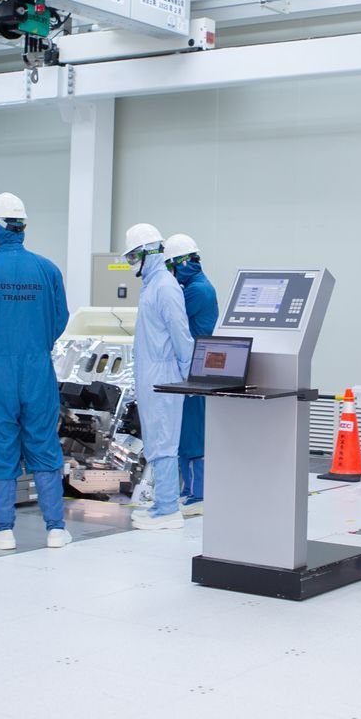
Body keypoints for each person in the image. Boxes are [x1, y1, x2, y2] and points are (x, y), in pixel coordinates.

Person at [0, 193, 72, 551]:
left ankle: (3, 529)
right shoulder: (47, 269)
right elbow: (60, 319)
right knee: (44, 443)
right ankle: (56, 529)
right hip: (37, 367)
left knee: (0, 445)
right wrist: (36, 344)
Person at [126, 223, 192, 531]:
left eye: (131, 257)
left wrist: (189, 374)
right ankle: (162, 503)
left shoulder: (165, 285)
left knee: (164, 440)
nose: (131, 265)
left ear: (145, 253)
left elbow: (181, 333)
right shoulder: (152, 285)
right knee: (156, 440)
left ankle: (168, 510)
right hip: (152, 375)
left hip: (164, 375)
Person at [165, 233, 217, 516]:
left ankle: (199, 494)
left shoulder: (197, 290)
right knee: (186, 427)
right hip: (191, 364)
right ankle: (189, 489)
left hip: (197, 366)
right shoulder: (195, 285)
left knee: (193, 429)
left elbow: (171, 317)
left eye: (172, 267)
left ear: (182, 263)